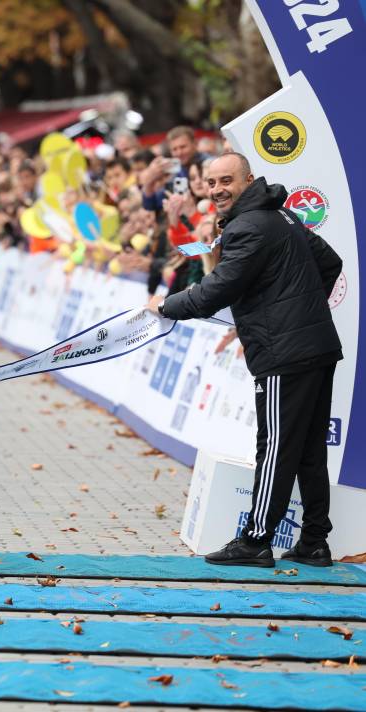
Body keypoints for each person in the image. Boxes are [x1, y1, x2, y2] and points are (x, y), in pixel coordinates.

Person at [149, 153, 342, 568]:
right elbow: (330, 262)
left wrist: (165, 306)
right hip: (314, 346)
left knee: (275, 448)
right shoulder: (281, 216)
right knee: (308, 449)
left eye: (227, 181)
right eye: (211, 182)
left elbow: (216, 289)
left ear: (248, 180)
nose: (218, 189)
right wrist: (300, 310)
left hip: (284, 353)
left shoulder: (248, 226)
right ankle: (314, 541)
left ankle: (256, 540)